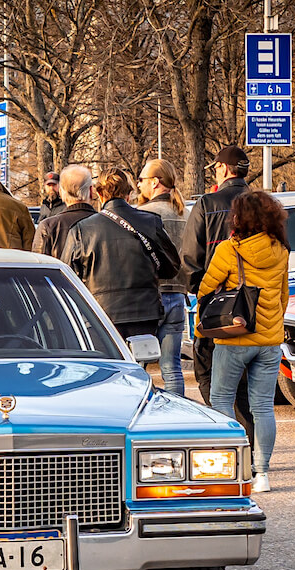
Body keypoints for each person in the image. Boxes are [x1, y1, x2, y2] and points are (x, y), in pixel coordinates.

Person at [198, 191, 290, 494]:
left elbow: (206, 291)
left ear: (239, 219)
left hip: (234, 338)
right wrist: (272, 326)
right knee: (263, 407)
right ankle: (262, 473)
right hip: (269, 340)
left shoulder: (228, 250)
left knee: (222, 399)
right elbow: (283, 296)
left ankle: (233, 466)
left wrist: (202, 329)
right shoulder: (281, 250)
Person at [181, 145, 253, 431]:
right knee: (250, 388)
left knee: (209, 373)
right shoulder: (264, 204)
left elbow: (190, 260)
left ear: (223, 169)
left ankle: (229, 439)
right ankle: (254, 450)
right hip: (257, 306)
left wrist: (201, 292)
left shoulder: (207, 204)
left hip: (217, 307)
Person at [61, 169, 179, 341]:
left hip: (99, 314)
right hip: (144, 312)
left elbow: (69, 278)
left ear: (99, 193)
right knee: (137, 363)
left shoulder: (81, 230)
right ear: (129, 194)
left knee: (109, 364)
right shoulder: (150, 222)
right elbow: (171, 267)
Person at [137, 159, 188, 395]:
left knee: (138, 367)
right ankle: (177, 421)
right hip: (178, 296)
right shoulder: (186, 213)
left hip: (148, 297)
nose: (139, 185)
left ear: (155, 183)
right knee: (172, 367)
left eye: (142, 180)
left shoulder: (142, 215)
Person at [32, 165, 96, 259]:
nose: (51, 189)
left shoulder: (47, 227)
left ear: (61, 192)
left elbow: (38, 266)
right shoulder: (107, 224)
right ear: (90, 191)